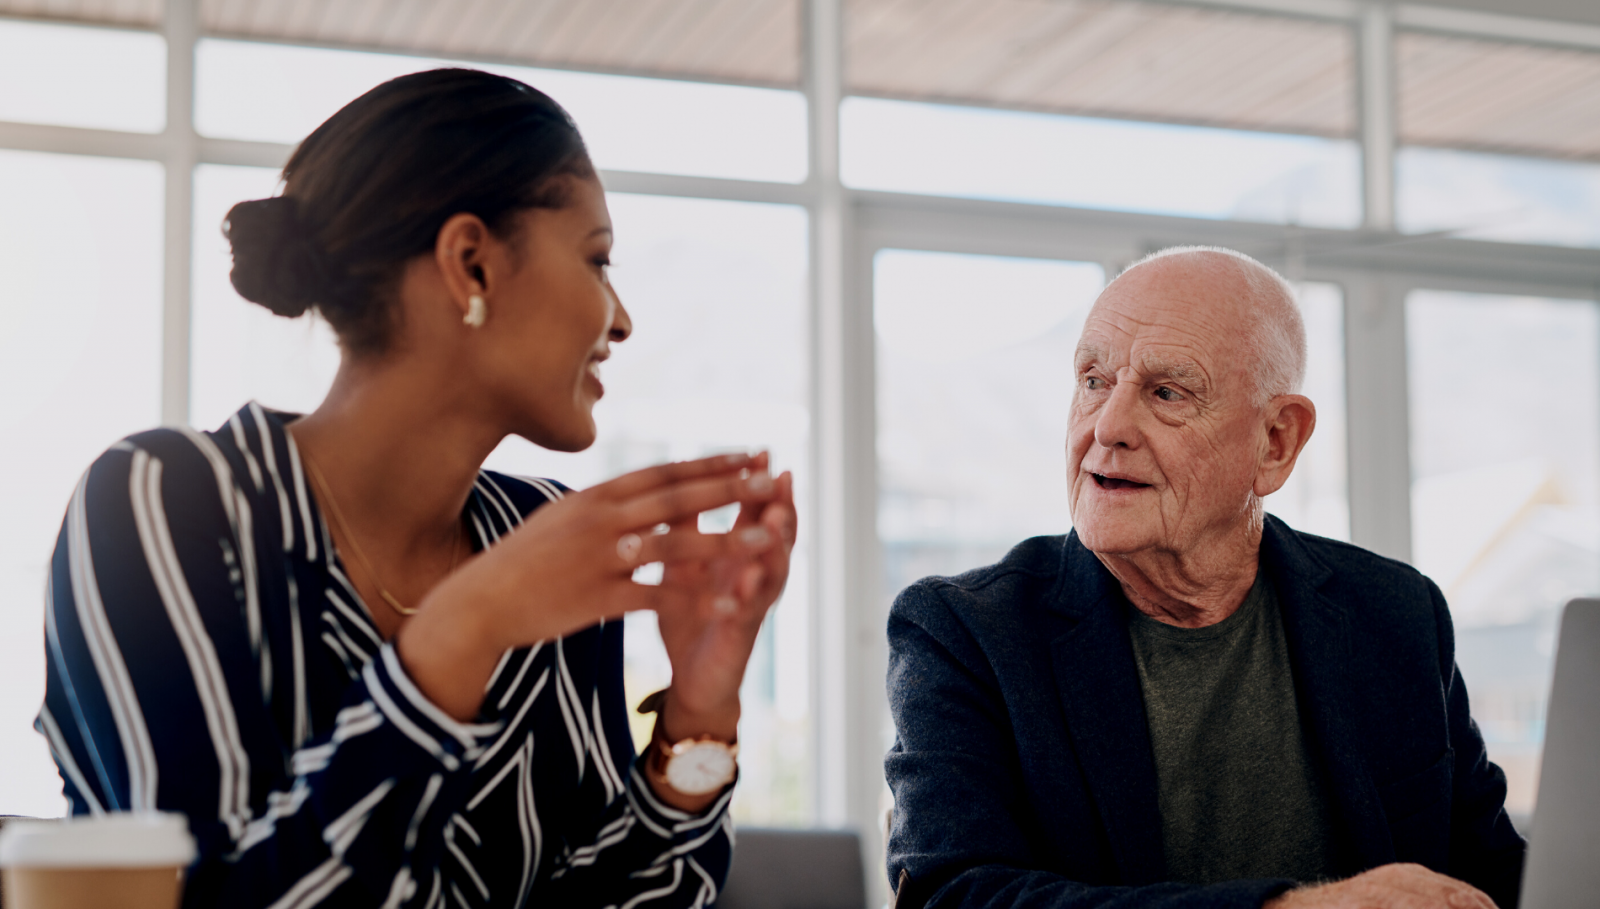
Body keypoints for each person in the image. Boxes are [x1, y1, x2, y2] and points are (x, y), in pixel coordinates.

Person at [36, 68, 796, 909]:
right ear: (470, 263)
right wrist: (463, 631)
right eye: (596, 259)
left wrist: (700, 711)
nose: (619, 319)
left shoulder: (540, 531)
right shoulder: (163, 503)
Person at [884, 247, 1524, 909]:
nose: (1107, 426)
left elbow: (1492, 872)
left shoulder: (1395, 612)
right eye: (1094, 380)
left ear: (1275, 442)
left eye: (1166, 392)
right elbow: (952, 895)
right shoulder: (965, 632)